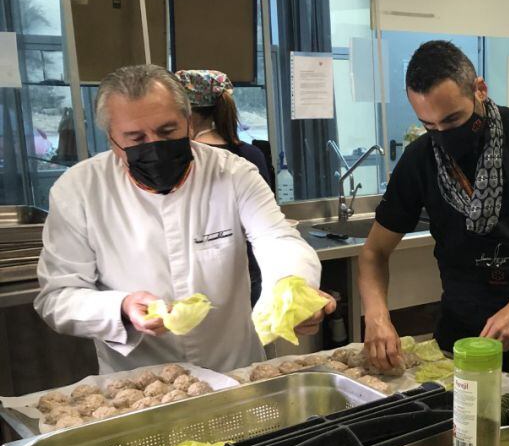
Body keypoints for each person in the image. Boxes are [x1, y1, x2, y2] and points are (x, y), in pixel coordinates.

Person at [35, 63, 333, 374]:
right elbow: (58, 296)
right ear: (112, 139)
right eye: (135, 138)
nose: (154, 146)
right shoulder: (79, 191)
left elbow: (276, 238)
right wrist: (121, 308)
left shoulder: (232, 173)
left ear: (188, 123)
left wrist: (292, 288)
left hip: (235, 371)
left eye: (167, 131)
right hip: (140, 385)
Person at [360, 41, 509, 380]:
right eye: (429, 126)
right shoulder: (420, 160)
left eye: (452, 119)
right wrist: (377, 317)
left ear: (479, 89)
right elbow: (374, 252)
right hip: (459, 333)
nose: (443, 135)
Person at [176, 68, 272, 305]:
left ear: (186, 113)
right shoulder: (250, 153)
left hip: (194, 277)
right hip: (248, 272)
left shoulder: (180, 158)